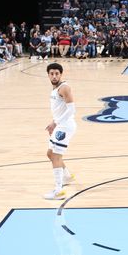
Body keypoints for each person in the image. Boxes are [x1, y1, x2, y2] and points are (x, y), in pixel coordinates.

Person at [44, 63, 76, 199]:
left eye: (57, 73)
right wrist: (53, 122)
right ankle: (67, 177)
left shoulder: (64, 88)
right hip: (59, 125)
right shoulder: (55, 89)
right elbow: (59, 110)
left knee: (56, 156)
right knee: (50, 154)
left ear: (61, 74)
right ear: (48, 75)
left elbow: (71, 110)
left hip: (65, 126)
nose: (54, 76)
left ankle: (58, 191)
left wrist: (55, 123)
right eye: (52, 73)